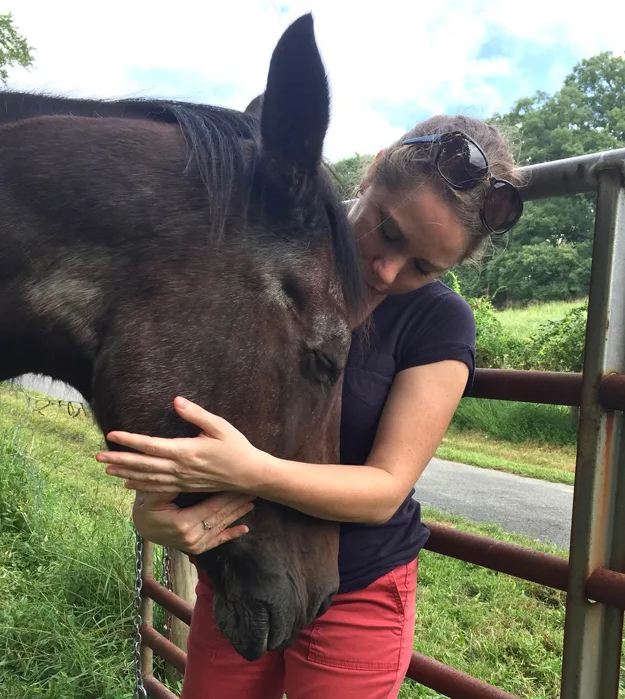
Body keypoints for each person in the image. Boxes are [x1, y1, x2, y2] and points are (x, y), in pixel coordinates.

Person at [96, 114, 523, 699]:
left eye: (425, 267)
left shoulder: (439, 320)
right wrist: (156, 510)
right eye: (389, 232)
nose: (388, 271)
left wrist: (245, 471)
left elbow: (385, 488)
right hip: (241, 564)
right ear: (373, 170)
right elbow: (192, 405)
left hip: (358, 591)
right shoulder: (257, 262)